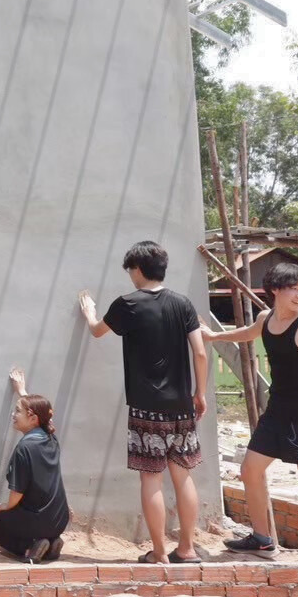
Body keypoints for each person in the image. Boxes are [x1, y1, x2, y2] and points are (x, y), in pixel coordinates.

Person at [77, 240, 207, 563]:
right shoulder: (183, 304)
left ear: (137, 269)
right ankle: (187, 549)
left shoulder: (127, 304)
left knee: (151, 478)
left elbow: (96, 332)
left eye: (130, 270)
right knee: (182, 475)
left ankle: (160, 552)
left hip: (146, 408)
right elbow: (200, 352)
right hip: (181, 406)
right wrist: (199, 393)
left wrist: (90, 311)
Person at [203, 262, 298, 561]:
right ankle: (263, 540)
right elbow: (247, 334)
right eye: (294, 289)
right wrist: (214, 337)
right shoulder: (266, 317)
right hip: (276, 412)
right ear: (276, 289)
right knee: (250, 470)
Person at [0, 368, 69, 563]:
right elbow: (45, 417)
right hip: (60, 519)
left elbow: (16, 496)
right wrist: (22, 392)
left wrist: (3, 506)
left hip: (37, 521)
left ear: (32, 418)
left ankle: (30, 548)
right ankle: (51, 543)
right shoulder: (50, 438)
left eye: (18, 411)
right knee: (30, 518)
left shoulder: (23, 449)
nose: (13, 414)